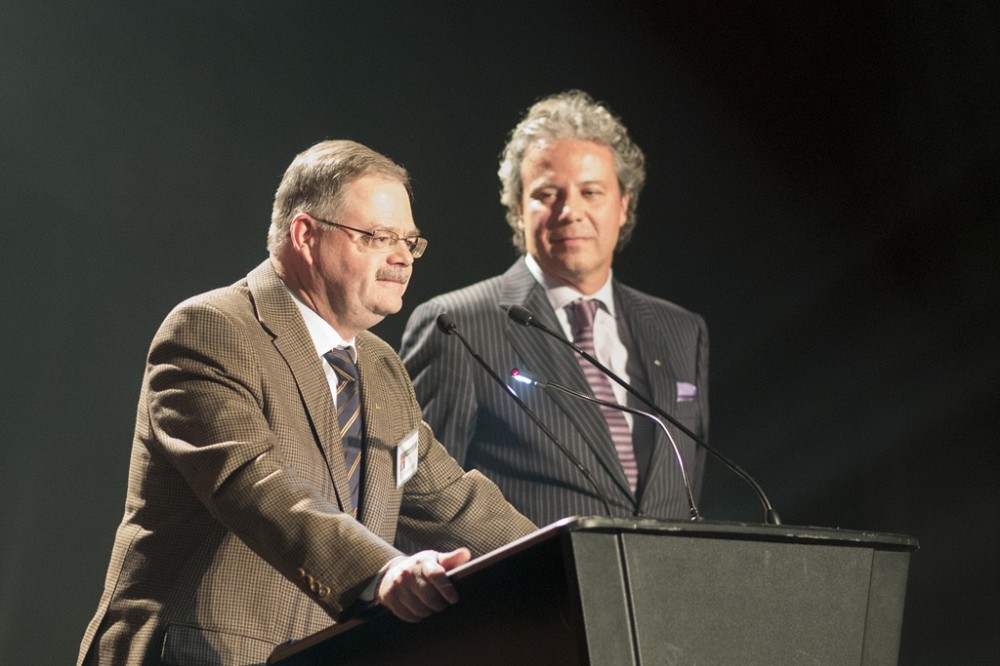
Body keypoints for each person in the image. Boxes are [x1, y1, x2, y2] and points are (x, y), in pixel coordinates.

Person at [78, 140, 536, 666]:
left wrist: (576, 554)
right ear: (305, 234)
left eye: (410, 241)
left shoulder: (380, 367)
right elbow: (253, 484)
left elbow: (454, 503)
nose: (402, 257)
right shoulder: (212, 330)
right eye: (379, 237)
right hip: (193, 652)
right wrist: (383, 570)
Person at [400, 90, 708, 527]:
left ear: (623, 205)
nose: (571, 211)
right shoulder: (455, 325)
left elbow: (685, 492)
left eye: (591, 191)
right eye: (548, 195)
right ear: (519, 211)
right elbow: (418, 501)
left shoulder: (682, 330)